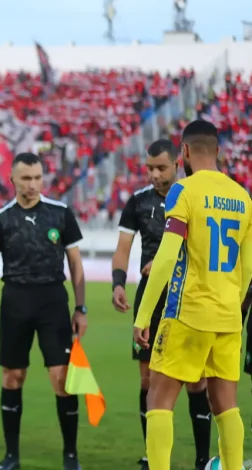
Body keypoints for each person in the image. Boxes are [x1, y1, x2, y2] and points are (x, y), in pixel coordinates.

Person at [133, 119, 252, 470]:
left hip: (188, 313)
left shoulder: (184, 191)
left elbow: (167, 256)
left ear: (183, 152)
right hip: (228, 318)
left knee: (159, 399)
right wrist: (232, 306)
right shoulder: (243, 197)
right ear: (218, 151)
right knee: (226, 405)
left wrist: (143, 317)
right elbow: (247, 271)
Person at [0, 152, 87, 470]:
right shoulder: (0, 220)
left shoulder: (61, 214)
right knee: (13, 377)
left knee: (63, 378)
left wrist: (81, 307)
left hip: (53, 300)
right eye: (26, 178)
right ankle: (11, 456)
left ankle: (71, 456)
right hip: (15, 302)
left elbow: (76, 264)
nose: (33, 184)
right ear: (12, 180)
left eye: (38, 177)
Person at [111, 139, 212, 470]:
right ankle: (150, 454)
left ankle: (200, 459)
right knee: (147, 379)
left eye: (161, 168)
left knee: (197, 379)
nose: (155, 174)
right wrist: (117, 282)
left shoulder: (194, 196)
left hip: (188, 294)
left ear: (177, 164)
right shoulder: (137, 203)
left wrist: (168, 263)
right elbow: (123, 246)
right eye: (150, 168)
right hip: (151, 297)